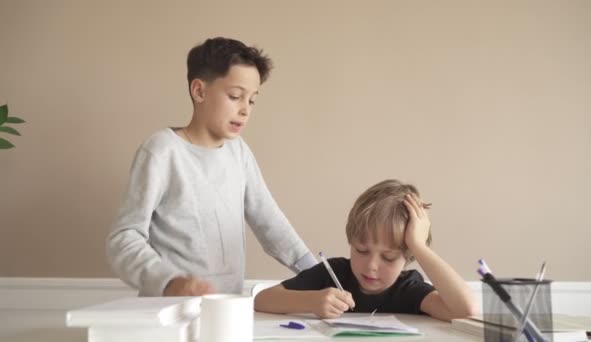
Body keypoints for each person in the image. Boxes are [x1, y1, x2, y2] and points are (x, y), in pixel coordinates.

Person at [106, 37, 317, 297]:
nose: (245, 110)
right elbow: (123, 238)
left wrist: (317, 275)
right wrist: (170, 281)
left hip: (226, 309)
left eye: (252, 100)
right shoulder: (162, 151)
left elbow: (269, 222)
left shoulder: (238, 151)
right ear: (199, 91)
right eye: (235, 96)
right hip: (169, 313)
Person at [254, 179, 478, 321]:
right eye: (361, 250)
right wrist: (312, 301)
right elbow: (262, 300)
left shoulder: (408, 289)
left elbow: (465, 310)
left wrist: (419, 245)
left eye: (389, 257)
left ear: (408, 257)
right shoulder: (331, 273)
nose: (371, 266)